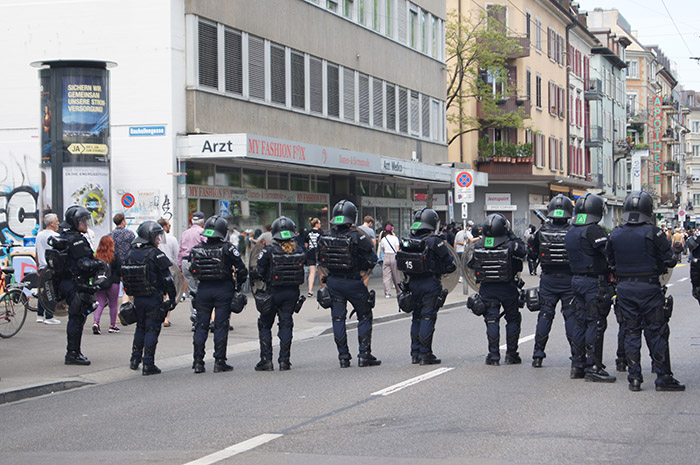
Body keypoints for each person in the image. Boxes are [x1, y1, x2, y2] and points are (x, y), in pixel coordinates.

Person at [607, 191, 684, 392]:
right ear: (648, 210)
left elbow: (610, 261)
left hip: (625, 288)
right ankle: (663, 377)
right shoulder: (654, 233)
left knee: (631, 331)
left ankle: (634, 378)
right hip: (649, 287)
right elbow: (670, 260)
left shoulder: (615, 234)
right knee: (656, 331)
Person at [319, 200, 380, 368]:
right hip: (353, 282)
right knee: (364, 315)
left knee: (338, 319)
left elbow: (320, 261)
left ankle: (343, 357)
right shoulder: (359, 236)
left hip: (333, 282)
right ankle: (364, 354)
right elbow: (372, 259)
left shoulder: (325, 236)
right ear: (352, 217)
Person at [564, 193, 615, 382]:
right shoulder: (593, 231)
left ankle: (577, 365)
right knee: (596, 322)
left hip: (576, 280)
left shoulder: (572, 230)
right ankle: (593, 366)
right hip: (593, 282)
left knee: (580, 321)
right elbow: (609, 254)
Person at [188, 215, 248, 373]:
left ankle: (198, 362)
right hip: (223, 289)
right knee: (221, 326)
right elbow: (242, 269)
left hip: (203, 290)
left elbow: (192, 270)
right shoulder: (228, 248)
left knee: (201, 325)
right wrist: (238, 287)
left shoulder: (197, 249)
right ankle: (219, 361)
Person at [397, 208, 456, 365]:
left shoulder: (408, 240)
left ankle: (415, 352)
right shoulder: (434, 241)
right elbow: (450, 264)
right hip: (430, 283)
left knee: (416, 317)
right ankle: (425, 354)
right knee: (427, 317)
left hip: (412, 284)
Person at [467, 213, 527, 365]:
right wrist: (513, 236)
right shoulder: (511, 245)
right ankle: (511, 354)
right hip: (508, 287)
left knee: (491, 320)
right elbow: (523, 251)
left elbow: (471, 264)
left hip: (487, 288)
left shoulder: (479, 245)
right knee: (513, 319)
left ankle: (493, 355)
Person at [122, 221, 177, 375]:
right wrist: (172, 298)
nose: (159, 240)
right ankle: (148, 363)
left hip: (138, 297)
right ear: (150, 237)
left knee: (140, 327)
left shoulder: (131, 253)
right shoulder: (155, 254)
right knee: (152, 328)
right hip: (153, 297)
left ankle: (134, 359)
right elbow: (168, 279)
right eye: (157, 236)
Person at [251, 216, 305, 371]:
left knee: (265, 324)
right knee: (286, 324)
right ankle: (284, 360)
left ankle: (266, 360)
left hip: (272, 292)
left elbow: (259, 271)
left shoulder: (268, 251)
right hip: (292, 293)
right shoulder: (299, 250)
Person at [528, 195, 576, 368]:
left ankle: (537, 355)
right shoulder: (573, 231)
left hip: (548, 279)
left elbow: (532, 255)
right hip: (569, 279)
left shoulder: (541, 232)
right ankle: (576, 355)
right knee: (571, 317)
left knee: (545, 315)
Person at [57, 206, 105, 365]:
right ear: (74, 222)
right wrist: (98, 263)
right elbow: (84, 264)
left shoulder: (64, 237)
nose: (85, 223)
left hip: (65, 283)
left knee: (75, 318)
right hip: (76, 285)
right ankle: (73, 353)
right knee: (77, 319)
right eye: (82, 221)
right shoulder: (77, 240)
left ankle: (73, 351)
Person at [178, 211, 206, 329]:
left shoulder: (185, 233)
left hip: (185, 262)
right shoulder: (203, 232)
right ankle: (202, 317)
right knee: (202, 289)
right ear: (203, 222)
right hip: (199, 262)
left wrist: (179, 265)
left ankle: (194, 315)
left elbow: (180, 250)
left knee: (192, 291)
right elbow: (206, 246)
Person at [92, 236, 122, 334]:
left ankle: (96, 322)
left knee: (99, 303)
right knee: (113, 305)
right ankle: (112, 325)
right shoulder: (115, 257)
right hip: (113, 283)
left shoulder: (96, 257)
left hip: (99, 283)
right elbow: (120, 270)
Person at [34, 213, 61, 325]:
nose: (58, 223)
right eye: (57, 221)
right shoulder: (56, 236)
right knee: (52, 291)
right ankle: (49, 315)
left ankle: (40, 314)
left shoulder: (39, 235)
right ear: (51, 223)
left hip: (42, 266)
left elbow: (36, 252)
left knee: (43, 290)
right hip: (52, 266)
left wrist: (37, 265)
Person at [157, 218, 179, 327]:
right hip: (169, 267)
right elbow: (176, 255)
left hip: (157, 267)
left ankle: (158, 314)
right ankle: (166, 318)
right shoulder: (172, 239)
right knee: (169, 291)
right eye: (169, 225)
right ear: (164, 227)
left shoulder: (154, 239)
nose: (169, 227)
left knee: (159, 292)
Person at [380, 224, 400, 298]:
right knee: (396, 275)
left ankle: (387, 293)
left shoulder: (383, 239)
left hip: (386, 256)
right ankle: (398, 291)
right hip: (394, 256)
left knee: (386, 276)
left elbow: (383, 249)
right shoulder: (395, 238)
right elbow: (397, 249)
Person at [305, 217, 324, 298]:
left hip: (310, 253)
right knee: (321, 272)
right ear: (316, 224)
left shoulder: (308, 233)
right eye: (319, 223)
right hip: (319, 253)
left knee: (312, 272)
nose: (320, 225)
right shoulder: (321, 233)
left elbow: (306, 245)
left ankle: (310, 291)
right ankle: (323, 289)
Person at [358, 215, 377, 287]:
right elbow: (373, 243)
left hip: (358, 254)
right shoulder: (370, 231)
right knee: (366, 274)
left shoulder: (357, 229)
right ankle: (364, 289)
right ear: (370, 223)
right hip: (366, 254)